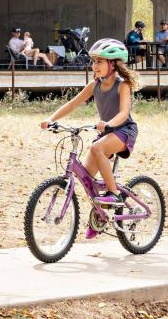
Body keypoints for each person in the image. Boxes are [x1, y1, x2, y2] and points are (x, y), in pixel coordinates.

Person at [40, 38, 139, 209]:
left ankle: (114, 194)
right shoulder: (94, 85)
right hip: (107, 132)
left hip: (124, 130)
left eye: (100, 61)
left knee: (96, 148)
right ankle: (98, 217)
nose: (95, 65)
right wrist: (51, 119)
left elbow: (123, 114)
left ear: (113, 64)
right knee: (86, 178)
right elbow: (72, 104)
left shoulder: (122, 86)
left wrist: (108, 123)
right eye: (94, 61)